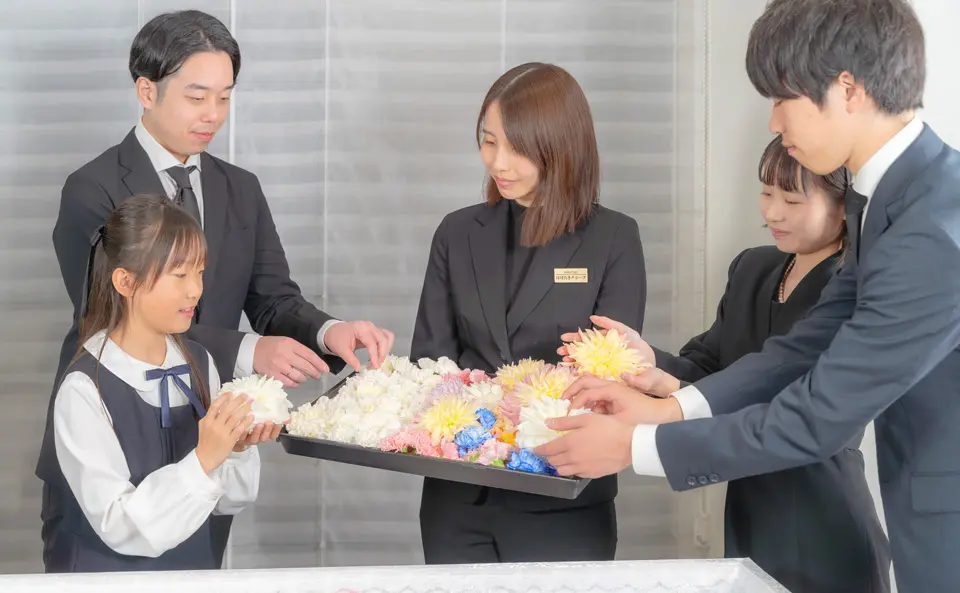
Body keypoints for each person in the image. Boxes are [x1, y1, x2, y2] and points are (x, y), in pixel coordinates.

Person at [536, 1, 960, 590]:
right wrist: (669, 408)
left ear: (848, 89)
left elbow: (820, 415)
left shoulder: (933, 226)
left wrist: (639, 446)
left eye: (783, 98)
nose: (773, 123)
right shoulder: (889, 200)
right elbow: (802, 347)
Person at [41, 10, 395, 566]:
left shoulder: (240, 189)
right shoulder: (93, 187)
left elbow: (274, 298)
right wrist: (251, 350)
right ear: (146, 91)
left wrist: (329, 331)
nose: (213, 115)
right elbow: (106, 312)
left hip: (204, 433)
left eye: (225, 98)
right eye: (197, 96)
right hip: (112, 431)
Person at [556, 137, 890, 593]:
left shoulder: (851, 289)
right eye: (767, 192)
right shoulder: (753, 267)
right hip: (749, 512)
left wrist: (648, 427)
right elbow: (713, 367)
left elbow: (786, 403)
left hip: (822, 516)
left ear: (845, 206)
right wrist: (652, 365)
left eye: (793, 200)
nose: (773, 212)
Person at [410, 62, 646, 563]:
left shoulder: (614, 238)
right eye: (489, 141)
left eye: (518, 148)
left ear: (562, 147)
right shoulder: (457, 233)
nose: (499, 162)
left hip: (562, 499)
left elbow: (613, 378)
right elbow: (431, 363)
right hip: (459, 497)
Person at [37, 194, 281, 572]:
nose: (195, 290)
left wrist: (234, 448)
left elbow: (225, 500)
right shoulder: (84, 388)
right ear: (126, 281)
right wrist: (204, 458)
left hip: (191, 574)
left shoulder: (200, 363)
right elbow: (120, 524)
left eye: (200, 272)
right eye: (179, 275)